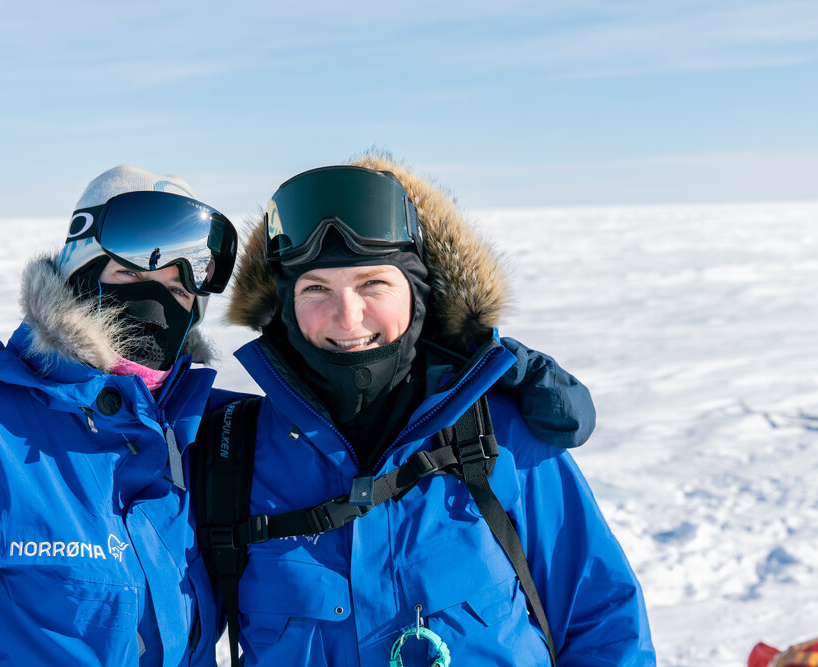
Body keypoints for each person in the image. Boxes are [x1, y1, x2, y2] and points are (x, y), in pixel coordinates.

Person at [217, 154, 654, 665]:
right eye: (316, 288)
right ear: (283, 308)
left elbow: (602, 621)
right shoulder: (230, 457)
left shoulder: (501, 435)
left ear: (419, 295)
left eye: (373, 284)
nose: (347, 315)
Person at [0, 165, 237, 666]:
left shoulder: (200, 442)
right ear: (79, 278)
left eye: (179, 292)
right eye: (132, 276)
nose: (157, 305)